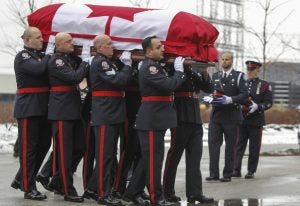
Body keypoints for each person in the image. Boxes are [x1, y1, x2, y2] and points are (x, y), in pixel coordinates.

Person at [133, 36, 186, 206]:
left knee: (149, 160)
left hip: (156, 119)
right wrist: (179, 71)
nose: (163, 49)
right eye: (158, 47)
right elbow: (169, 85)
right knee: (154, 161)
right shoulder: (150, 67)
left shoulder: (155, 66)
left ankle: (131, 192)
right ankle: (157, 198)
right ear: (149, 51)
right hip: (151, 120)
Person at [84, 34, 134, 205]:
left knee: (108, 155)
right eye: (109, 44)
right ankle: (104, 194)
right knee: (105, 156)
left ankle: (92, 188)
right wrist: (127, 65)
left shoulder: (108, 61)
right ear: (99, 48)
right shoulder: (100, 62)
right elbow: (118, 80)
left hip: (111, 113)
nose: (113, 46)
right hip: (105, 114)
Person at [11, 26, 52, 200]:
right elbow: (39, 70)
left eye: (41, 36)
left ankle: (21, 178)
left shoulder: (42, 57)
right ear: (26, 40)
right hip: (29, 108)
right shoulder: (23, 56)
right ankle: (28, 188)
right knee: (29, 149)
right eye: (37, 37)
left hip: (43, 108)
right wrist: (50, 55)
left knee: (43, 145)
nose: (41, 39)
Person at [163, 65, 214, 204]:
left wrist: (204, 72)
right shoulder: (173, 70)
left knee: (195, 158)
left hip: (195, 117)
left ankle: (195, 193)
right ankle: (167, 192)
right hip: (180, 116)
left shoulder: (192, 72)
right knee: (174, 156)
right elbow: (170, 86)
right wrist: (179, 69)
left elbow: (208, 88)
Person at [47, 32, 89, 202]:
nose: (73, 43)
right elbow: (75, 77)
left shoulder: (70, 59)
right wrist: (86, 60)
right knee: (65, 153)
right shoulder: (56, 60)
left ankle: (57, 179)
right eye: (69, 41)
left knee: (80, 147)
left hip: (73, 110)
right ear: (58, 44)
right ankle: (67, 190)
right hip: (62, 111)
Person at [203, 51, 248, 182]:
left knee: (230, 147)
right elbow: (212, 92)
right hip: (216, 116)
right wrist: (210, 98)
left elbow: (244, 95)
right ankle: (213, 174)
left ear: (232, 60)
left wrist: (231, 99)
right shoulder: (215, 76)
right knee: (213, 145)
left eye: (227, 59)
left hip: (232, 116)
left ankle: (227, 174)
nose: (224, 62)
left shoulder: (239, 76)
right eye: (222, 59)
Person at [232, 60, 273, 179]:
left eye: (252, 69)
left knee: (254, 147)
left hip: (256, 120)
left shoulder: (264, 85)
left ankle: (251, 170)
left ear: (258, 70)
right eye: (248, 69)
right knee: (238, 145)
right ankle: (236, 170)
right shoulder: (241, 83)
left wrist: (258, 107)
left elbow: (269, 103)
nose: (249, 72)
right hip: (242, 119)